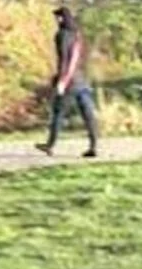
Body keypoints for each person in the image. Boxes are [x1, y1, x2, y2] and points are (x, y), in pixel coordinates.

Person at [37, 3, 98, 160]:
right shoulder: (77, 34)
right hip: (82, 79)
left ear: (62, 18)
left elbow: (65, 59)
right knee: (88, 114)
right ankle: (93, 146)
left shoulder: (62, 35)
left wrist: (61, 81)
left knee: (58, 113)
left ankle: (50, 145)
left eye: (58, 17)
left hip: (70, 81)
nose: (56, 20)